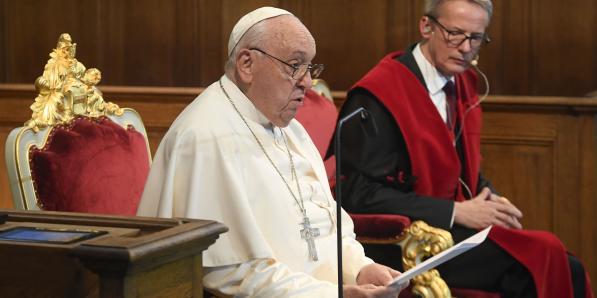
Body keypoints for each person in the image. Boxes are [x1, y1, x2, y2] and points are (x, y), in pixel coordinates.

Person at [137, 7, 405, 297]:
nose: (306, 81)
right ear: (247, 64)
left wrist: (359, 268)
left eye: (310, 68)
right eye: (294, 65)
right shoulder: (205, 137)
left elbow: (324, 225)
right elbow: (229, 272)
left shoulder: (290, 130)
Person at [333, 0, 593, 297]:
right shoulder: (379, 93)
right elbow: (358, 195)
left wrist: (492, 202)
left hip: (453, 231)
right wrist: (456, 211)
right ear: (426, 26)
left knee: (565, 262)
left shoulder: (463, 82)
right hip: (405, 244)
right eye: (455, 33)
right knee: (536, 263)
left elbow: (460, 167)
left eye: (476, 37)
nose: (466, 47)